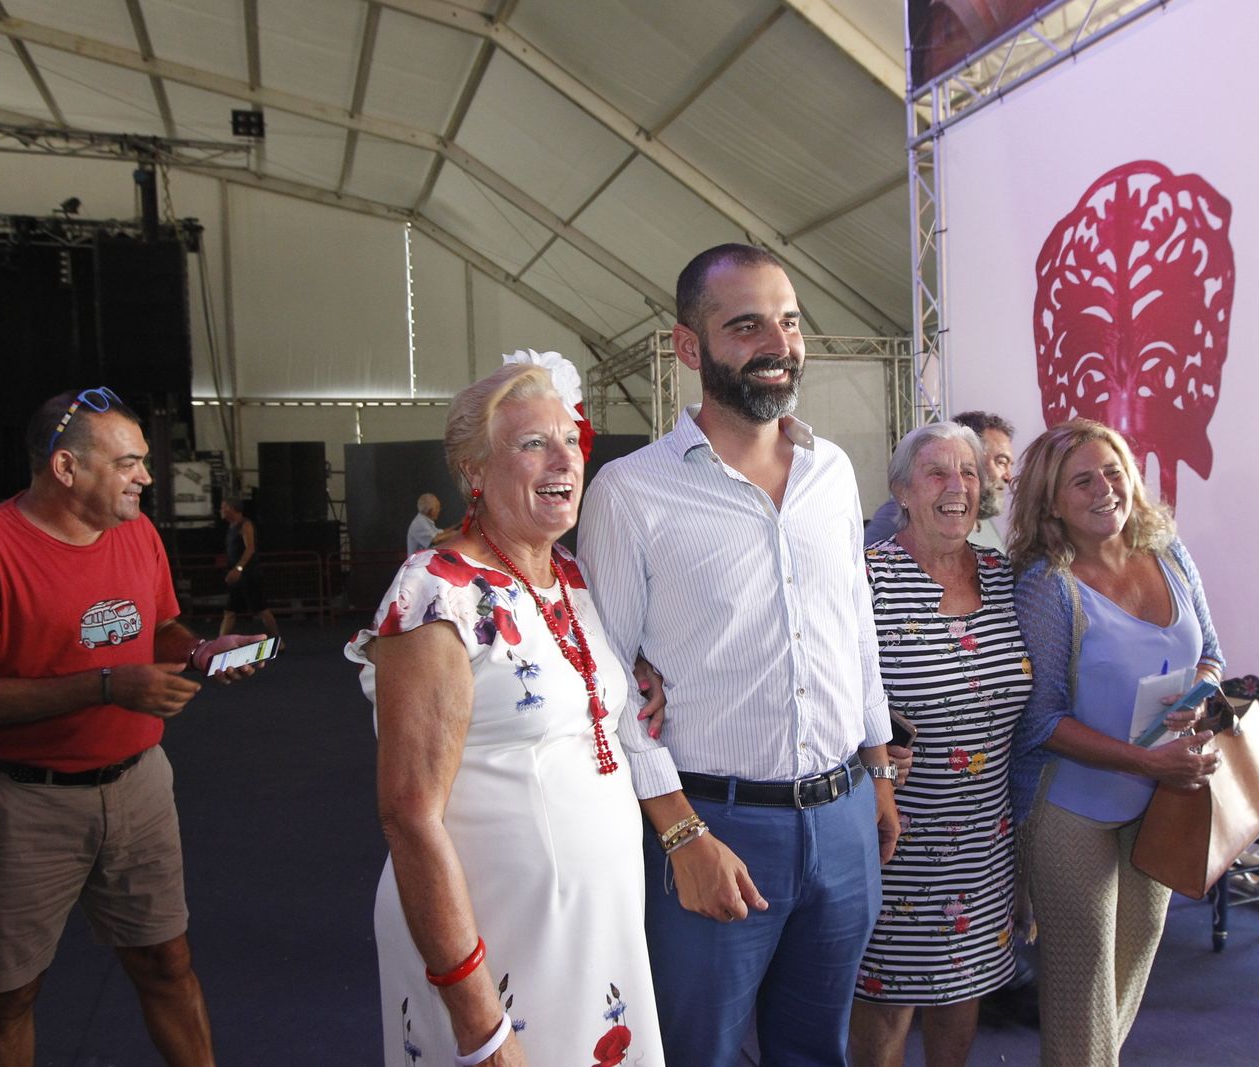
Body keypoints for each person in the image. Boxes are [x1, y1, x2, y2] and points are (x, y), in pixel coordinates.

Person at [578, 243, 900, 1067]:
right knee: (700, 1053)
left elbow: (855, 627)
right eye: (746, 325)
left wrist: (877, 770)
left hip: (844, 818)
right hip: (712, 824)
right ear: (689, 347)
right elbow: (606, 687)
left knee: (817, 1050)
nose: (778, 343)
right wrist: (681, 835)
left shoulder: (833, 472)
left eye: (789, 321)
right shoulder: (630, 492)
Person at [347, 357, 664, 1067]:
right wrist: (481, 1024)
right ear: (474, 471)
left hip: (592, 937)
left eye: (570, 440)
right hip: (494, 947)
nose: (565, 459)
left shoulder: (570, 576)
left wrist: (632, 678)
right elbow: (409, 816)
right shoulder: (437, 592)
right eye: (533, 444)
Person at [0, 387, 266, 1066]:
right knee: (9, 995)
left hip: (138, 788)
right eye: (128, 463)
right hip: (18, 803)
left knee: (167, 962)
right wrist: (106, 686)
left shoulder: (138, 534)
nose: (146, 478)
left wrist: (199, 651)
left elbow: (160, 627)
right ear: (66, 468)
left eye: (143, 461)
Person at [1008, 417, 1224, 1067]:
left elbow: (1212, 656)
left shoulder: (1169, 552)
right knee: (1082, 979)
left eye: (1114, 471)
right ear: (1052, 502)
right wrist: (1145, 759)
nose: (1105, 489)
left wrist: (1196, 706)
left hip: (1162, 797)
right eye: (1083, 480)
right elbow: (1040, 721)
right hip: (1071, 807)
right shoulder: (1047, 585)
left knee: (1134, 959)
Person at [850, 422, 1032, 1067]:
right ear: (902, 490)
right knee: (887, 997)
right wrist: (868, 750)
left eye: (970, 473)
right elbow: (823, 688)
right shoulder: (866, 577)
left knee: (965, 986)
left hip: (986, 834)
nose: (957, 487)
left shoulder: (1005, 576)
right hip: (896, 833)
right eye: (936, 473)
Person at [864, 410, 1014, 550]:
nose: (1009, 476)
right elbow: (863, 561)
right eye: (1001, 462)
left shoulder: (984, 527)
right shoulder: (906, 512)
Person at [219, 497, 279, 640]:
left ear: (232, 508)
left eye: (224, 507)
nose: (221, 510)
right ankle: (220, 642)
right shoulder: (232, 527)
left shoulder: (245, 524)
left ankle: (277, 640)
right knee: (230, 612)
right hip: (238, 577)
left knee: (262, 610)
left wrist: (238, 568)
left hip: (249, 575)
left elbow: (250, 548)